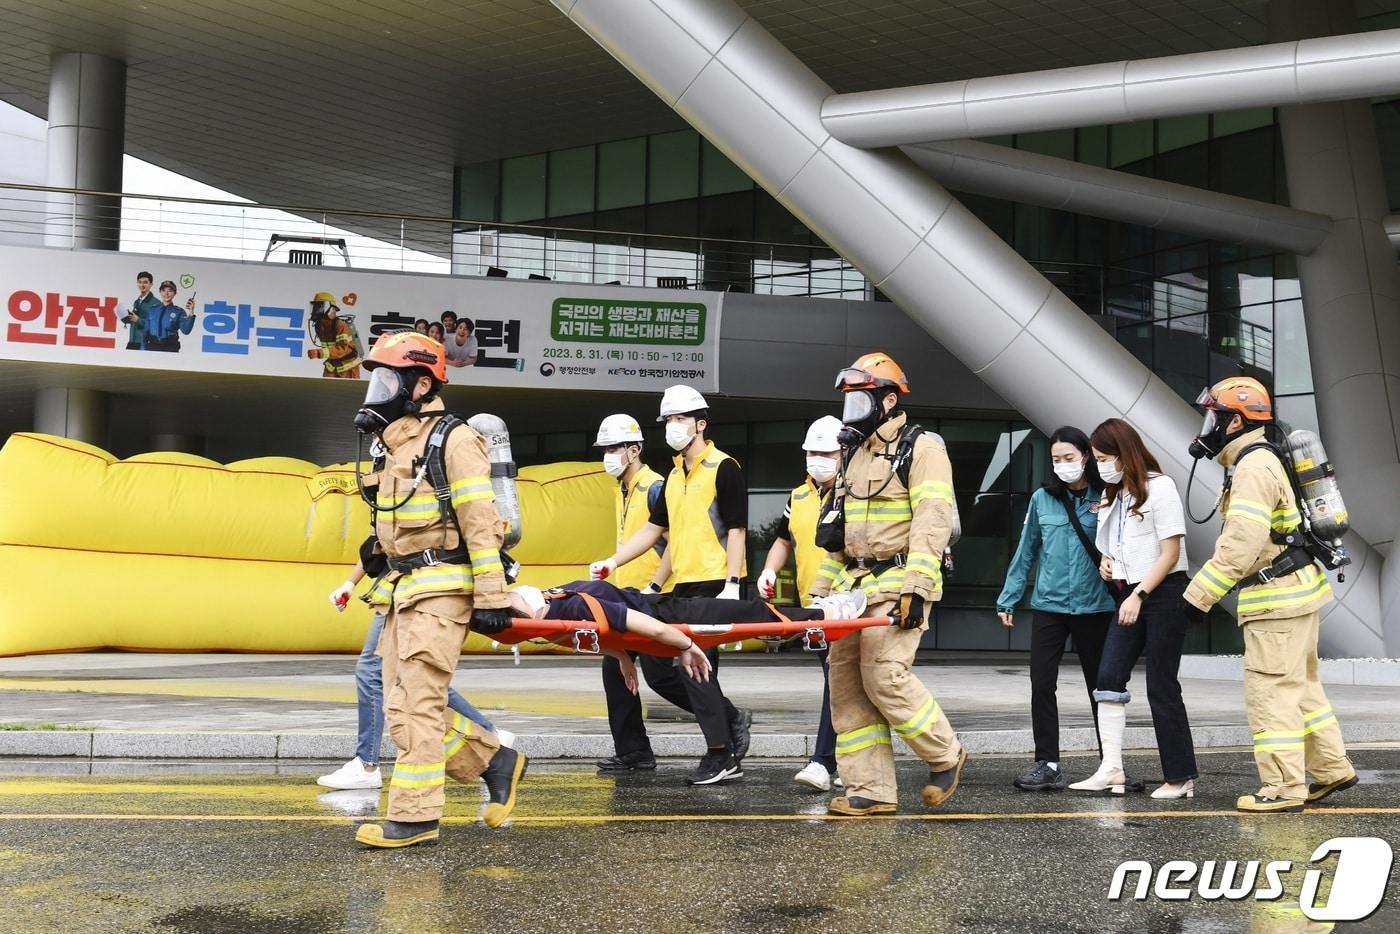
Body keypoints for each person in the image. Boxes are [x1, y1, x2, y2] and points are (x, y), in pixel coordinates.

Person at [350, 331, 525, 849]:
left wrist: (492, 599)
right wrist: (378, 553)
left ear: (421, 383)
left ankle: (416, 817)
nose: (376, 391)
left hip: (443, 591)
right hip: (401, 590)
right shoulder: (396, 447)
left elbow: (478, 521)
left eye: (387, 379)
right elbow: (410, 520)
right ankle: (496, 761)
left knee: (421, 705)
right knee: (400, 710)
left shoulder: (455, 439)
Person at [1182, 377, 1355, 813]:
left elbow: (1241, 544)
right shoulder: (1262, 458)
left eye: (1214, 418)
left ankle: (1282, 787)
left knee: (1271, 692)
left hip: (1275, 601)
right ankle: (1332, 768)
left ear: (1235, 421)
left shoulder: (1253, 469)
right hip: (1297, 593)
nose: (1208, 428)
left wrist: (1195, 598)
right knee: (1301, 688)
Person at [811, 353, 966, 817]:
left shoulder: (923, 447)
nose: (851, 406)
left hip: (898, 580)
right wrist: (817, 600)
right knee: (846, 686)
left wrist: (916, 588)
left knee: (883, 675)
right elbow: (834, 533)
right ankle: (870, 790)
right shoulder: (853, 453)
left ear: (889, 398)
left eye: (859, 396)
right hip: (851, 586)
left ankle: (945, 754)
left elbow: (933, 520)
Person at [589, 385, 752, 785]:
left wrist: (732, 583)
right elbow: (654, 531)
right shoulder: (677, 475)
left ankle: (721, 755)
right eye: (669, 420)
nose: (673, 427)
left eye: (681, 420)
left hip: (715, 584)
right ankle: (723, 743)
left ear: (700, 424)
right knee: (678, 669)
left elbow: (737, 529)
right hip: (684, 586)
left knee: (698, 671)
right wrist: (614, 561)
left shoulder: (723, 467)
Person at [318, 539, 512, 791]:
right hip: (404, 584)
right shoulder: (394, 502)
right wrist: (350, 583)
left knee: (388, 671)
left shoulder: (421, 499)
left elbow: (479, 536)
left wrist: (491, 599)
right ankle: (491, 735)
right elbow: (380, 538)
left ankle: (366, 765)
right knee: (414, 671)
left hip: (427, 588)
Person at [1069, 418, 1196, 800]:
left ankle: (1181, 777)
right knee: (1108, 678)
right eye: (1096, 457)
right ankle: (1111, 770)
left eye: (1106, 457)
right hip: (1127, 593)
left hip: (1161, 593)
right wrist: (1106, 561)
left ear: (1126, 454)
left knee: (1161, 684)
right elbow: (1117, 545)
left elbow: (1171, 553)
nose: (1100, 464)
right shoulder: (1112, 494)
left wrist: (1139, 595)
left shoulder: (1161, 488)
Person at [996, 426, 1117, 792]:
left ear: (1086, 457)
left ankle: (1111, 764)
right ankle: (1046, 762)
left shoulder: (1109, 496)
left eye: (1070, 457)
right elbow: (1027, 548)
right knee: (1042, 683)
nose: (1063, 465)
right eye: (1056, 459)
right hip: (1049, 605)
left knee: (1102, 687)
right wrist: (1009, 595)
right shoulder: (1042, 499)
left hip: (1096, 605)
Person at [756, 415, 846, 792]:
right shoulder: (798, 496)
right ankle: (843, 763)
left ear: (844, 453)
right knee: (845, 685)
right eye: (810, 452)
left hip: (847, 601)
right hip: (814, 604)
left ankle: (823, 761)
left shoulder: (855, 492)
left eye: (824, 452)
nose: (815, 459)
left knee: (837, 681)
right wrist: (769, 570)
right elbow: (783, 540)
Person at [590, 414, 675, 773]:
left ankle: (728, 714)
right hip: (625, 597)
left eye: (614, 448)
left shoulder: (655, 487)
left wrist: (655, 584)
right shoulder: (622, 489)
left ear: (634, 449)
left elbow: (674, 545)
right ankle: (634, 752)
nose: (608, 455)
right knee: (616, 674)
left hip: (654, 599)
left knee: (662, 675)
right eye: (605, 448)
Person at [306, 292, 362, 379]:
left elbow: (343, 349)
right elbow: (329, 348)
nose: (316, 310)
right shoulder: (319, 326)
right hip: (332, 365)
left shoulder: (340, 325)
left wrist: (319, 353)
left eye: (320, 306)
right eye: (315, 307)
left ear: (331, 308)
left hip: (348, 368)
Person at [141, 280, 196, 351]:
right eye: (163, 290)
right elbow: (146, 330)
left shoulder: (179, 311)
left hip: (170, 347)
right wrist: (143, 347)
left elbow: (186, 331)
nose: (166, 293)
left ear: (174, 293)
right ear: (160, 292)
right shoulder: (152, 309)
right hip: (152, 346)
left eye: (170, 291)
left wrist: (191, 312)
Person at [122, 271, 159, 350]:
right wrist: (125, 316)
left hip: (144, 343)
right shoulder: (137, 301)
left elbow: (155, 325)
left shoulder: (156, 303)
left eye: (145, 282)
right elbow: (134, 319)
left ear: (151, 284)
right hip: (132, 341)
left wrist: (138, 320)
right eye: (140, 282)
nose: (142, 285)